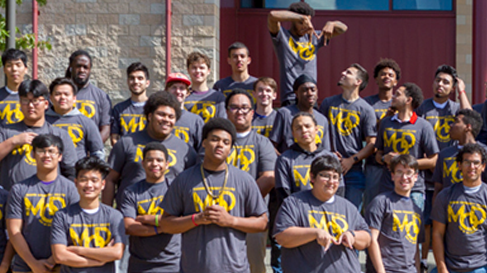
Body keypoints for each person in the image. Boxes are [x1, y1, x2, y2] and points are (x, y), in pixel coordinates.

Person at [160, 118, 268, 273]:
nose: (220, 145)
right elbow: (165, 224)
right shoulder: (184, 179)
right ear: (204, 143)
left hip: (235, 269)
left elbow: (262, 223)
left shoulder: (244, 179)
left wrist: (230, 220)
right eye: (214, 139)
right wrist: (196, 219)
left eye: (226, 142)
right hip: (194, 268)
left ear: (230, 148)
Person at [273, 155, 371, 272]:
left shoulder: (348, 207)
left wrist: (352, 236)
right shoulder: (294, 203)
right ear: (312, 177)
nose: (331, 182)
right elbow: (282, 237)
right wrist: (314, 233)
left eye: (335, 177)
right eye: (325, 176)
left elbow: (367, 238)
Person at [416, 66, 471, 272]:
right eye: (438, 80)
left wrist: (462, 91)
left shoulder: (456, 108)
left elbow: (469, 118)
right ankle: (422, 260)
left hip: (449, 172)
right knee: (428, 221)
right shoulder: (423, 107)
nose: (441, 84)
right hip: (428, 171)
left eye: (446, 82)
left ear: (452, 87)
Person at [272, 112, 342, 272]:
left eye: (308, 126)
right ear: (293, 133)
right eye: (298, 128)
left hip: (327, 220)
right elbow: (283, 194)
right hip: (298, 222)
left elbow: (339, 193)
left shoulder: (329, 156)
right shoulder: (285, 159)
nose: (304, 130)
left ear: (317, 129)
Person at [103, 92, 197, 208]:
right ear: (149, 116)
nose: (166, 120)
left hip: (168, 219)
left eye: (171, 117)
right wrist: (107, 213)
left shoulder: (186, 150)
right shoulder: (126, 143)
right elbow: (110, 179)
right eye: (161, 114)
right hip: (129, 216)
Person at [6, 134, 80, 273]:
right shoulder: (19, 189)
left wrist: (52, 261)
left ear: (60, 156)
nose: (46, 155)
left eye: (51, 151)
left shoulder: (71, 189)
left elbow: (76, 230)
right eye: (41, 151)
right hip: (25, 264)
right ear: (33, 155)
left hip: (61, 265)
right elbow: (14, 231)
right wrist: (33, 264)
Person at [225, 89, 276, 273]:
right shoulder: (216, 141)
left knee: (254, 266)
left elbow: (269, 177)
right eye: (234, 107)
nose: (240, 112)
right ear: (226, 111)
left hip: (253, 216)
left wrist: (239, 204)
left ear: (252, 113)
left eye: (245, 108)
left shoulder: (262, 143)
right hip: (219, 214)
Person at [51, 156, 126, 272]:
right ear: (76, 183)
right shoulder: (62, 216)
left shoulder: (114, 216)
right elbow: (60, 255)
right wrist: (99, 260)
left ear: (103, 184)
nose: (89, 185)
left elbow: (117, 252)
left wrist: (79, 250)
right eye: (83, 179)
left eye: (94, 180)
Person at [0, 80, 78, 189]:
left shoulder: (59, 134)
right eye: (25, 101)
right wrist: (14, 141)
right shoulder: (5, 131)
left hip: (50, 199)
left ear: (46, 104)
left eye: (35, 101)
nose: (30, 106)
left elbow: (71, 170)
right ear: (20, 104)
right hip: (11, 198)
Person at [319, 63, 377, 209]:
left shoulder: (366, 109)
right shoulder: (328, 103)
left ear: (358, 82)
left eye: (349, 73)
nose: (343, 73)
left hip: (354, 172)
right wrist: (329, 153)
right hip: (328, 166)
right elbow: (319, 132)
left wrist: (351, 160)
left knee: (350, 215)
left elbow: (371, 144)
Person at [268, 1, 347, 106]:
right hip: (290, 98)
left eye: (308, 22)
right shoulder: (282, 37)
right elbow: (272, 15)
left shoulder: (315, 37)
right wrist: (301, 18)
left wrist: (331, 23)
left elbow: (343, 28)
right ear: (293, 20)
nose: (305, 26)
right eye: (301, 23)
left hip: (310, 98)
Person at [375, 83, 439, 211]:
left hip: (413, 189)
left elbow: (433, 160)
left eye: (398, 94)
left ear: (409, 100)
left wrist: (406, 163)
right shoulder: (385, 123)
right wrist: (384, 159)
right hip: (387, 186)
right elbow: (377, 154)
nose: (393, 96)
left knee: (411, 227)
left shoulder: (423, 126)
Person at [120, 142, 181, 272]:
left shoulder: (175, 188)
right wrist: (165, 226)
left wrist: (147, 219)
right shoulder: (131, 192)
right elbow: (129, 227)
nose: (154, 164)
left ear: (167, 164)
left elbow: (180, 221)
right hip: (140, 264)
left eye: (159, 160)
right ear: (143, 164)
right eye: (150, 160)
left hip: (172, 264)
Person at [431, 143, 487, 273]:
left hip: (480, 267)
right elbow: (437, 234)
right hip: (450, 266)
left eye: (476, 163)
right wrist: (441, 268)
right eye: (467, 162)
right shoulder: (445, 195)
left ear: (483, 167)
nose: (471, 167)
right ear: (459, 165)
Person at [365, 154, 424, 273]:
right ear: (392, 176)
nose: (404, 177)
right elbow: (372, 240)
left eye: (409, 173)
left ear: (416, 177)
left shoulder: (416, 209)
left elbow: (415, 246)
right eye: (399, 172)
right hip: (386, 269)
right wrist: (381, 271)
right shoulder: (381, 202)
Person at [363, 58, 401, 209]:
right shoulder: (366, 104)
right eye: (383, 74)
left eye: (391, 75)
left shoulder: (400, 103)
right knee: (371, 206)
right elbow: (365, 132)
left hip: (397, 165)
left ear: (396, 81)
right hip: (374, 164)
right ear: (376, 79)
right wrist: (385, 120)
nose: (387, 77)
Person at [46, 77, 105, 160]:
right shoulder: (42, 121)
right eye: (57, 94)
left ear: (74, 98)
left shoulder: (86, 122)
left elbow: (98, 153)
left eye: (66, 94)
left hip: (77, 171)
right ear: (50, 98)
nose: (62, 97)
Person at [269, 74, 330, 154]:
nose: (310, 93)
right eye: (305, 90)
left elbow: (325, 150)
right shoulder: (285, 113)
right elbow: (271, 145)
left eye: (313, 90)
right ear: (296, 93)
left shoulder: (322, 119)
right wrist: (284, 160)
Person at [433, 109, 486, 197]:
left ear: (468, 127)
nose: (451, 125)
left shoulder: (484, 152)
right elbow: (438, 189)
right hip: (449, 205)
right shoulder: (444, 154)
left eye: (456, 122)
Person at [66, 50, 112, 143]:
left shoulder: (102, 97)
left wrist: (93, 148)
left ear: (90, 69)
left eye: (85, 67)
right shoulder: (60, 94)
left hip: (90, 152)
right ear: (71, 67)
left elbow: (106, 129)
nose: (82, 70)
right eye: (78, 66)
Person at [111, 62, 150, 146]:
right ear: (128, 82)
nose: (136, 81)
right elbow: (114, 138)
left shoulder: (154, 108)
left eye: (140, 78)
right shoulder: (119, 109)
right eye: (132, 78)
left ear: (147, 83)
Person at [165, 72, 205, 151]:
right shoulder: (159, 118)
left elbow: (202, 149)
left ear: (187, 93)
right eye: (174, 87)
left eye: (182, 88)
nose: (178, 91)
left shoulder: (196, 121)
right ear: (166, 90)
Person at [184, 52, 226, 122]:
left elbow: (223, 123)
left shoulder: (218, 97)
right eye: (194, 67)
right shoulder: (183, 96)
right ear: (188, 70)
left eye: (201, 68)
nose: (198, 71)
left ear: (208, 71)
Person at [0, 49, 28, 125]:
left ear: (26, 69)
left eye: (18, 65)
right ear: (4, 70)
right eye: (9, 65)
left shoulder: (34, 96)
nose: (14, 69)